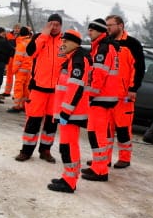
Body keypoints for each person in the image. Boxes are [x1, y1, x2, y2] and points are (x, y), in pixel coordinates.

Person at [47, 30, 91, 193]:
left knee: (69, 147)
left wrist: (66, 112)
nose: (62, 44)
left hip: (71, 113)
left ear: (75, 43)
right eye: (61, 41)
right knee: (67, 146)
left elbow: (75, 88)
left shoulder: (78, 59)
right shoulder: (74, 58)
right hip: (69, 112)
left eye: (66, 41)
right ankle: (68, 176)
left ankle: (70, 181)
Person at [15, 14, 63, 163]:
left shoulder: (66, 41)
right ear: (47, 25)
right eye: (51, 24)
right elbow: (31, 52)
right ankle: (26, 151)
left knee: (51, 123)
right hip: (38, 88)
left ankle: (45, 150)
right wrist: (44, 35)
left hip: (56, 91)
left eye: (57, 24)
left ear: (61, 26)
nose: (54, 27)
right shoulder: (38, 37)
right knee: (33, 121)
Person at [81, 18, 120, 183]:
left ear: (100, 31)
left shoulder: (103, 48)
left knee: (98, 135)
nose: (89, 32)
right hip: (103, 97)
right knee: (95, 133)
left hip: (100, 98)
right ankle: (98, 165)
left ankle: (100, 170)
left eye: (92, 29)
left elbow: (98, 74)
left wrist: (90, 94)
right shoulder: (104, 46)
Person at [105, 14, 145, 169]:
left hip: (124, 96)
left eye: (110, 25)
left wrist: (133, 88)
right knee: (106, 129)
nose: (108, 28)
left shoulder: (132, 44)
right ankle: (104, 158)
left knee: (123, 129)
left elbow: (139, 68)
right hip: (107, 95)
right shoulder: (107, 43)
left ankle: (125, 158)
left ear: (120, 25)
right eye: (107, 25)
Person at [8, 26, 33, 113]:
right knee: (26, 88)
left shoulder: (21, 43)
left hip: (21, 70)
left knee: (18, 87)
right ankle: (24, 105)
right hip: (29, 69)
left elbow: (18, 59)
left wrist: (14, 70)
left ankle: (17, 106)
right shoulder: (31, 42)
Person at [3, 23, 21, 100]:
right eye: (15, 28)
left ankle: (16, 94)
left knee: (18, 78)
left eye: (18, 28)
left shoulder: (22, 36)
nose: (16, 29)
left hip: (18, 59)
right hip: (10, 58)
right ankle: (7, 92)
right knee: (9, 76)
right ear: (13, 28)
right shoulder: (8, 35)